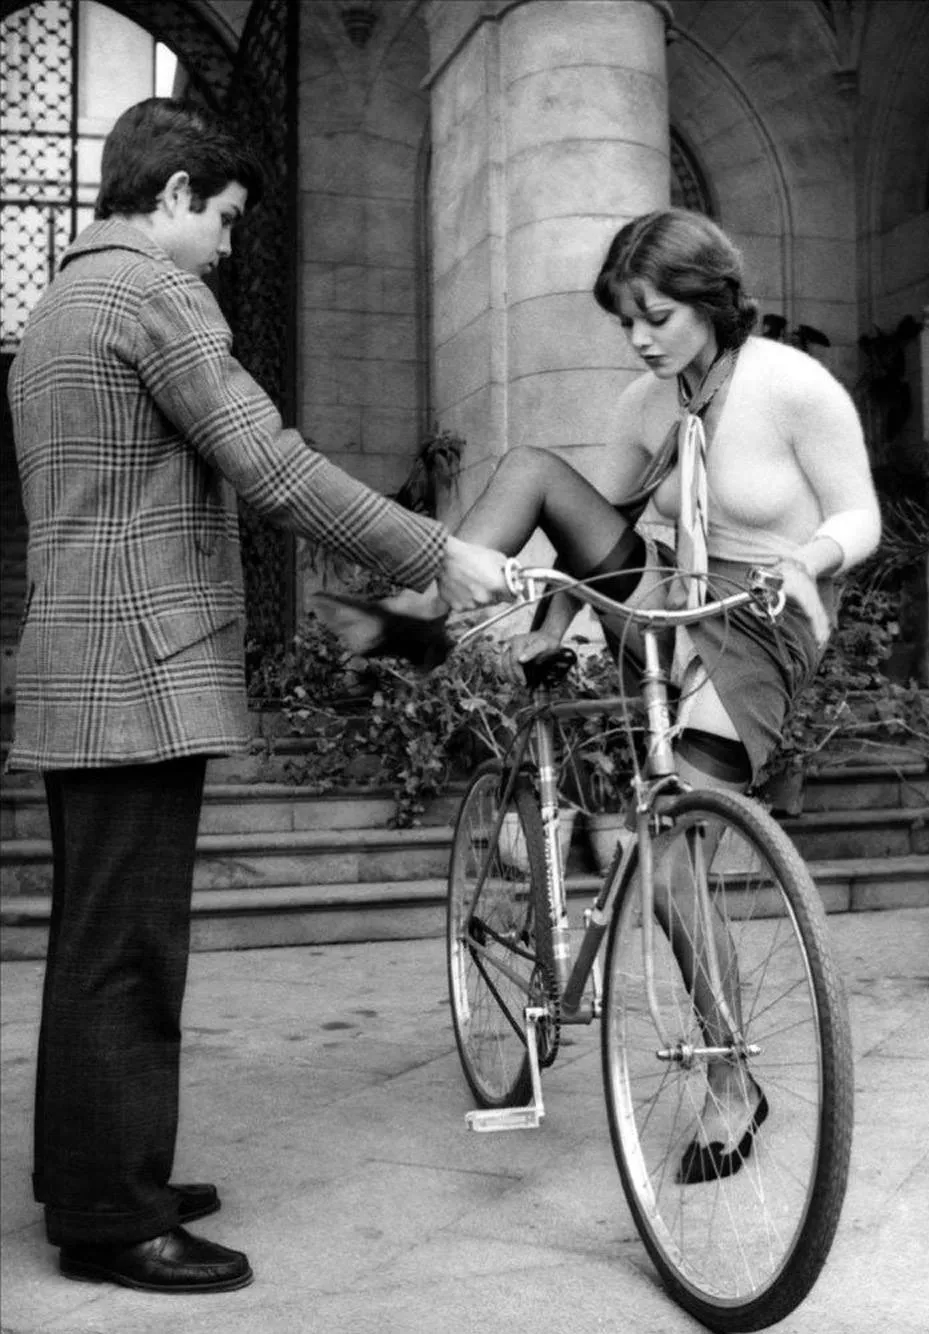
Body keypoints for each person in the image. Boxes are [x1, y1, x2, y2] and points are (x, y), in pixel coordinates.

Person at [6, 97, 510, 1295]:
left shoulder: (56, 306)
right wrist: (437, 553)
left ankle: (98, 1174)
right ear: (175, 196)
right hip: (139, 662)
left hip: (82, 658)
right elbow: (273, 465)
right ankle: (111, 1218)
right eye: (224, 220)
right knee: (127, 952)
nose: (229, 248)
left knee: (97, 940)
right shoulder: (155, 294)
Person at [318, 207, 881, 1182]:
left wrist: (811, 558)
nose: (640, 337)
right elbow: (604, 528)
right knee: (536, 468)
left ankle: (731, 1078)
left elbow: (860, 512)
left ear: (711, 298)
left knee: (668, 867)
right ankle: (425, 614)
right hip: (664, 604)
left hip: (759, 617)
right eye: (625, 320)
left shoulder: (792, 386)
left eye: (655, 314)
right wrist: (553, 620)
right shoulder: (644, 404)